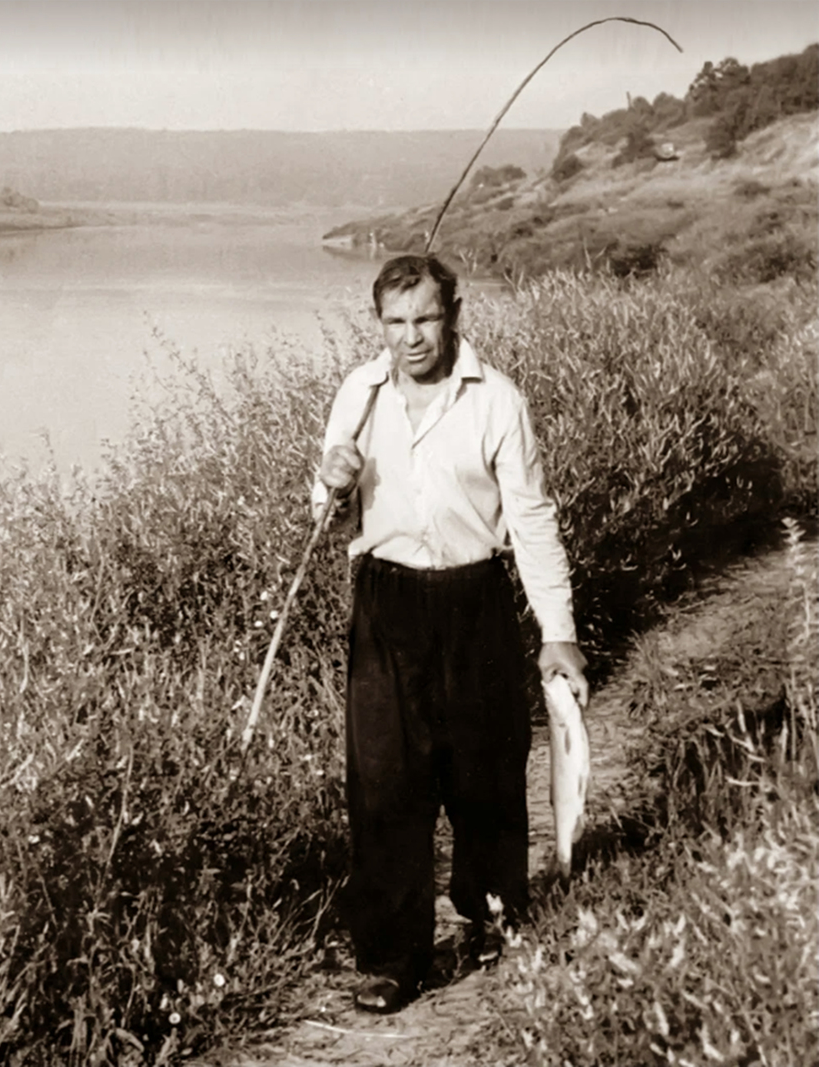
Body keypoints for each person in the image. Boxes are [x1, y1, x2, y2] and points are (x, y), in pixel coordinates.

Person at [313, 253, 588, 1014]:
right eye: (396, 322)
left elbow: (531, 519)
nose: (412, 338)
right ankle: (394, 955)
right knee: (384, 780)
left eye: (426, 318)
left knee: (487, 768)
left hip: (476, 600)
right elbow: (329, 516)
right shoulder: (358, 396)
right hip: (387, 599)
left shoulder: (497, 399)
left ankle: (493, 917)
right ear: (379, 325)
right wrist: (333, 484)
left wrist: (557, 632)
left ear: (454, 314)